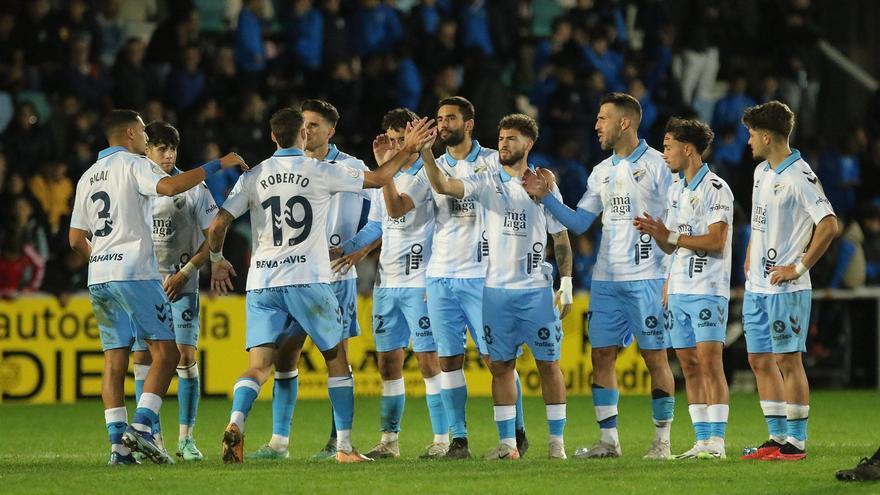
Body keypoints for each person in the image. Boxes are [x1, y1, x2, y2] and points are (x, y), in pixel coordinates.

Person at [206, 107, 435, 464]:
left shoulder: (254, 175)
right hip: (309, 279)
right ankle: (344, 447)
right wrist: (406, 152)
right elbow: (376, 181)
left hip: (263, 282)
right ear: (301, 135)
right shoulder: (319, 171)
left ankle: (236, 421)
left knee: (259, 366)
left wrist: (217, 259)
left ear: (271, 137)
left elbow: (218, 223)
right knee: (336, 359)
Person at [68, 109, 246, 465]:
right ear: (133, 134)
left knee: (114, 360)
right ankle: (145, 428)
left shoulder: (87, 176)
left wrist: (101, 261)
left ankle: (119, 449)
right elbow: (169, 186)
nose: (150, 144)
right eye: (146, 137)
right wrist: (219, 163)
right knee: (166, 354)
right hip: (134, 272)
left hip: (99, 275)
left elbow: (75, 239)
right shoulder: (134, 164)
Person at [522, 92, 676, 459]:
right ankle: (609, 441)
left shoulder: (658, 166)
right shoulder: (601, 171)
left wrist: (670, 273)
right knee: (601, 357)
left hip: (647, 278)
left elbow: (676, 222)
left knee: (656, 358)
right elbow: (577, 221)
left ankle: (662, 441)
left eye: (602, 118)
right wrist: (546, 197)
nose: (596, 125)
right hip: (607, 281)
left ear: (624, 122)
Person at [421, 113, 573, 460]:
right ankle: (507, 445)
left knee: (548, 365)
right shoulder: (486, 181)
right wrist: (427, 154)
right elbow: (445, 187)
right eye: (501, 138)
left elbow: (560, 236)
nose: (504, 144)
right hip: (494, 293)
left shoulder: (542, 183)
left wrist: (565, 282)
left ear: (528, 144)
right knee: (501, 365)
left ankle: (557, 444)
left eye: (512, 139)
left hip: (535, 291)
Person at [247, 98, 373, 461]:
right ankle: (278, 442)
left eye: (315, 124)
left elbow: (381, 216)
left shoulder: (350, 166)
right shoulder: (287, 167)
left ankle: (339, 442)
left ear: (331, 131)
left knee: (338, 355)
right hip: (295, 273)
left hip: (335, 274)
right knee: (286, 358)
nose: (308, 129)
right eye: (305, 123)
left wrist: (355, 247)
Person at [333, 108, 449, 459]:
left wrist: (385, 169)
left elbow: (397, 208)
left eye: (403, 139)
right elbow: (379, 223)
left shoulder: (427, 175)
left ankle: (443, 439)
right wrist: (349, 248)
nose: (398, 146)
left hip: (419, 282)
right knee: (387, 364)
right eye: (394, 140)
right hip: (387, 285)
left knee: (429, 362)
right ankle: (389, 441)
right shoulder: (391, 174)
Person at [426, 96, 528, 459]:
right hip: (440, 275)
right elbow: (423, 220)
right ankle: (459, 439)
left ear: (468, 124)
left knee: (496, 360)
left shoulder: (493, 161)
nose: (442, 124)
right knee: (448, 360)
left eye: (450, 118)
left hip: (483, 277)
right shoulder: (433, 164)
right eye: (439, 119)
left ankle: (515, 428)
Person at [739, 101, 837, 461]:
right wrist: (751, 249)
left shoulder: (800, 176)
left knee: (788, 360)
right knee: (759, 359)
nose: (748, 141)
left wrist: (799, 267)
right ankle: (776, 436)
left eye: (751, 134)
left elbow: (828, 224)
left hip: (787, 287)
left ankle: (796, 442)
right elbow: (759, 220)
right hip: (758, 287)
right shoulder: (762, 172)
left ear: (767, 136)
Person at [633, 118, 733, 459]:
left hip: (708, 287)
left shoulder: (716, 188)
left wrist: (672, 236)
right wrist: (660, 238)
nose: (664, 153)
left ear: (687, 149)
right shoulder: (676, 191)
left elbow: (717, 240)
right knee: (688, 365)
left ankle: (717, 442)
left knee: (709, 363)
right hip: (678, 289)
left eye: (668, 146)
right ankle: (701, 440)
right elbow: (672, 247)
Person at [129, 121, 221, 461]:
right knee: (142, 358)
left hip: (182, 282)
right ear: (147, 150)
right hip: (145, 285)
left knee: (184, 356)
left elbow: (213, 235)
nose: (168, 155)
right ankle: (153, 438)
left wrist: (186, 272)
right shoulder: (136, 184)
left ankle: (186, 439)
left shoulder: (193, 187)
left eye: (172, 149)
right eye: (161, 148)